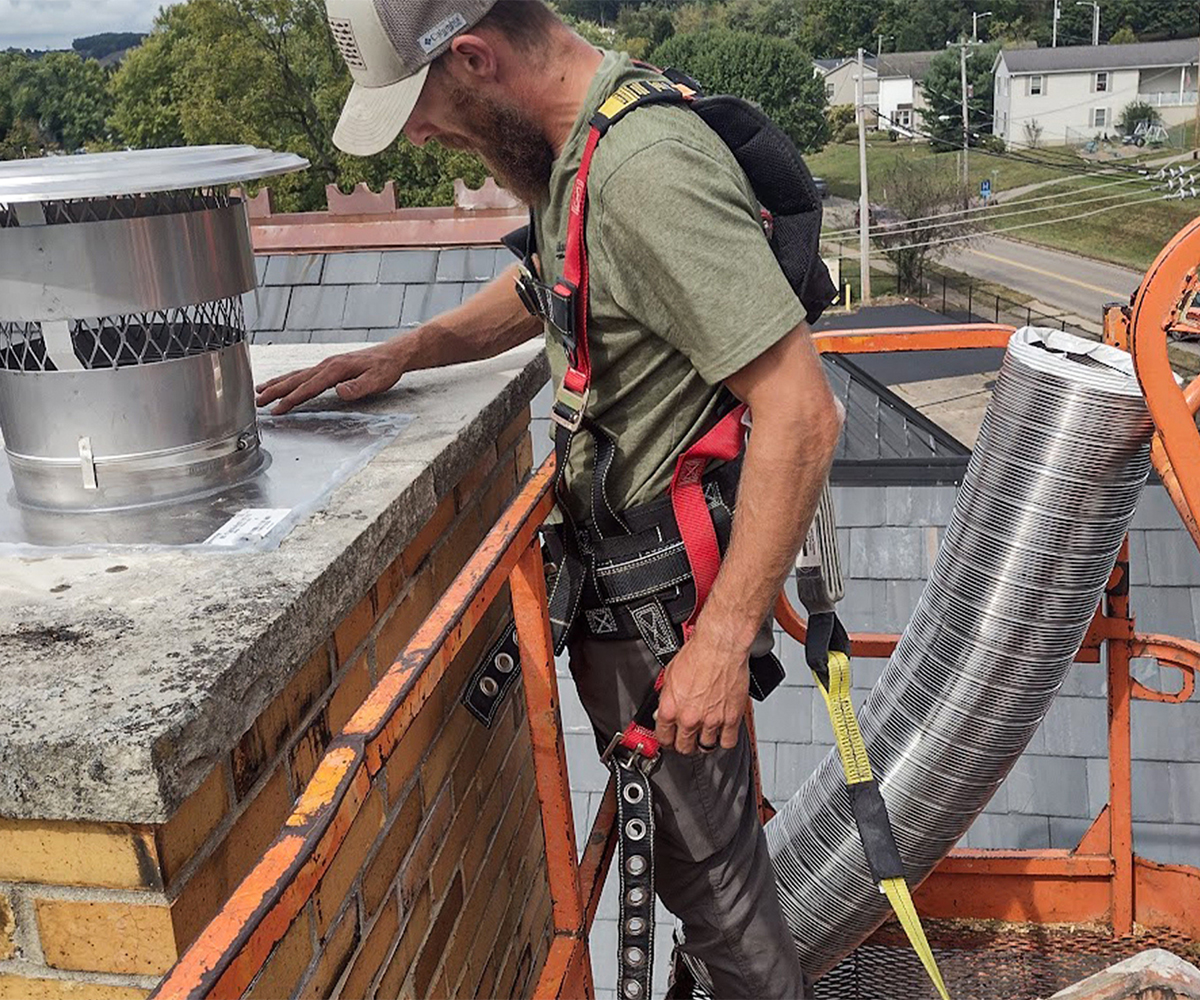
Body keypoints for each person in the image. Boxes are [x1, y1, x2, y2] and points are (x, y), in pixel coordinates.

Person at [256, 2, 842, 996]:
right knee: (711, 887)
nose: (425, 133)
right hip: (649, 606)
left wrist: (717, 642)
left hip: (673, 619)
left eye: (428, 106)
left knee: (724, 903)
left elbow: (801, 411)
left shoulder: (642, 167)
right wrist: (411, 349)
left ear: (476, 58)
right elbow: (553, 285)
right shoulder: (588, 140)